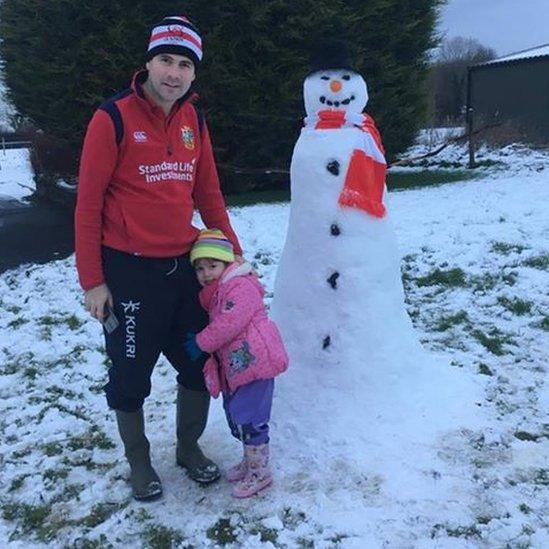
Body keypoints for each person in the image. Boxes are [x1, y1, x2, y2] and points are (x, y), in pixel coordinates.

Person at [74, 15, 243, 501]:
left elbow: (209, 194)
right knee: (130, 375)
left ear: (194, 73)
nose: (173, 73)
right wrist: (93, 281)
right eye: (165, 60)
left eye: (184, 64)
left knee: (199, 361)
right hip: (128, 274)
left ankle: (188, 449)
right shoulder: (113, 118)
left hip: (184, 271)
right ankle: (139, 461)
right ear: (148, 63)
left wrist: (233, 259)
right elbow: (87, 204)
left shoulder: (195, 120)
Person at [183, 229, 288, 498]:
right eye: (200, 268)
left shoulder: (240, 286)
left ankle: (260, 473)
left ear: (228, 263)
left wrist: (201, 342)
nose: (206, 273)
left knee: (252, 419)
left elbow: (229, 323)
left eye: (213, 266)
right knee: (242, 416)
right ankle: (251, 462)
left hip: (256, 364)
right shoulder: (217, 291)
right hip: (242, 365)